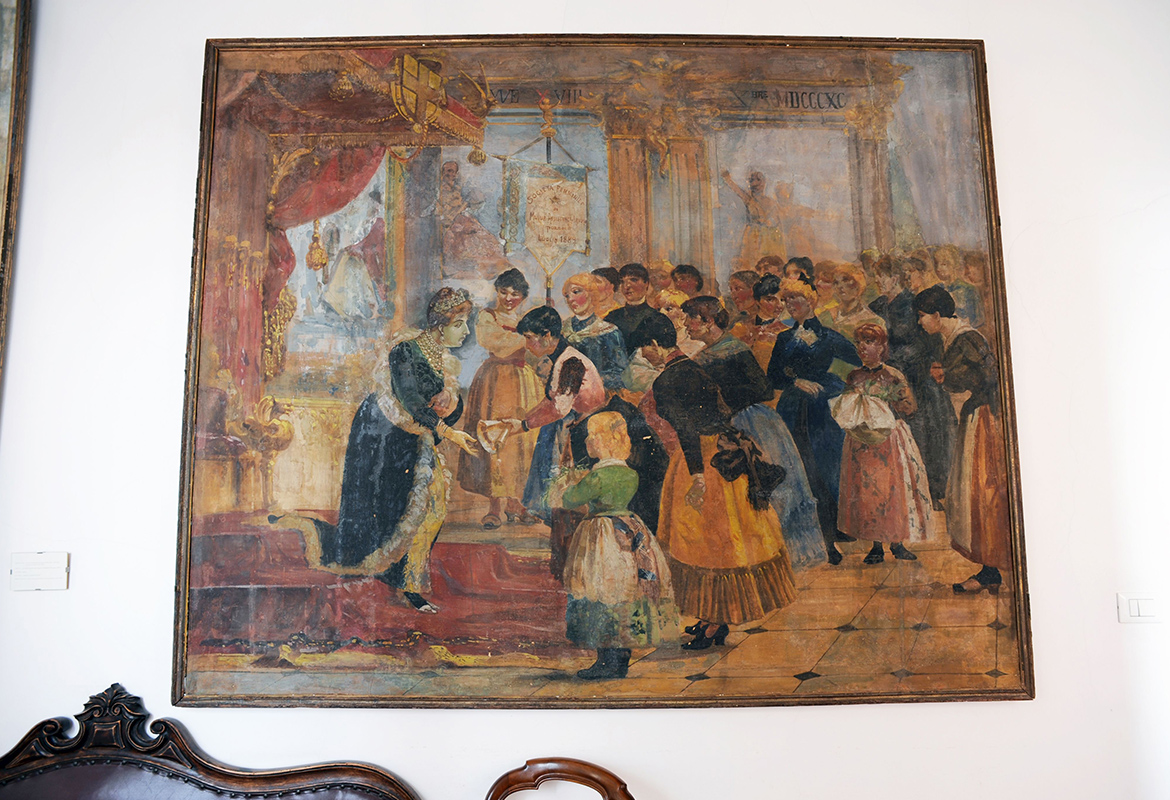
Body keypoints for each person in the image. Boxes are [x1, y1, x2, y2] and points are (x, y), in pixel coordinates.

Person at [278, 288, 479, 614]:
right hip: (382, 436)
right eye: (459, 324)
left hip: (414, 436)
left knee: (432, 508)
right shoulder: (405, 351)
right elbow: (410, 400)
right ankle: (402, 583)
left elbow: (446, 405)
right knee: (400, 510)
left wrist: (451, 407)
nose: (466, 331)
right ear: (440, 326)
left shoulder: (443, 359)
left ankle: (409, 581)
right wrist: (450, 433)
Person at [632, 313, 797, 650]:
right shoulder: (695, 367)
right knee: (720, 540)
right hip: (724, 451)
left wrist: (697, 476)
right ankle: (711, 617)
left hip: (702, 461)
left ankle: (715, 622)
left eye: (643, 349)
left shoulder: (667, 380)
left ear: (655, 345)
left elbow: (687, 430)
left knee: (707, 542)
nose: (643, 355)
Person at [684, 296, 827, 570]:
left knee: (775, 488)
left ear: (709, 321)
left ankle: (788, 555)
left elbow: (763, 389)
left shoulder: (735, 349)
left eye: (691, 319)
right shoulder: (701, 357)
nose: (686, 325)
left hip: (755, 424)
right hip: (727, 429)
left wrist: (723, 397)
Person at [561, 412, 678, 679]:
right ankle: (622, 656)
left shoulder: (597, 477)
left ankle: (606, 660)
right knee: (625, 589)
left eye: (592, 436)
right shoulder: (629, 474)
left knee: (602, 589)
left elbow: (571, 499)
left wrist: (568, 486)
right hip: (630, 528)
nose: (588, 442)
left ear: (603, 441)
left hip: (602, 534)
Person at [915, 285, 1012, 594]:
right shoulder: (951, 339)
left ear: (936, 315)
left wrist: (949, 377)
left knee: (982, 491)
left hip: (984, 418)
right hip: (973, 416)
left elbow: (990, 378)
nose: (920, 322)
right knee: (972, 493)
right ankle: (989, 570)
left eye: (922, 316)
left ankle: (993, 568)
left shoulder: (967, 339)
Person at [767, 277, 862, 564]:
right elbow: (773, 376)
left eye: (796, 299)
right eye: (786, 300)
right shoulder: (784, 338)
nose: (790, 305)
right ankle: (809, 538)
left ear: (811, 301)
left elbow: (857, 366)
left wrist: (831, 384)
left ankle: (831, 537)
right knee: (799, 469)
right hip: (793, 410)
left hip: (823, 412)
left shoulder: (830, 337)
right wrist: (795, 381)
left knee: (825, 470)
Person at [832, 323, 932, 563]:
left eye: (869, 342)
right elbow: (845, 410)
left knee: (892, 490)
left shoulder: (892, 375)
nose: (862, 347)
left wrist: (889, 399)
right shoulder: (854, 376)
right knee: (867, 493)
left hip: (889, 440)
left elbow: (910, 408)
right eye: (859, 342)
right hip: (861, 441)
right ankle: (876, 545)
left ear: (881, 347)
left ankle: (897, 543)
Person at [868, 256, 956, 510]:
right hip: (889, 380)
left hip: (917, 380)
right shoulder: (876, 306)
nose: (877, 281)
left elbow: (930, 342)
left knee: (924, 435)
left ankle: (930, 492)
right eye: (876, 276)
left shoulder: (913, 304)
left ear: (895, 278)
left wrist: (899, 361)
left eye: (882, 276)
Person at [458, 268, 542, 528]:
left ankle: (517, 504)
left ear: (523, 297)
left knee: (521, 441)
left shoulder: (527, 317)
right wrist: (526, 338)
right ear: (497, 292)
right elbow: (495, 343)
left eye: (515, 294)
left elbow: (539, 347)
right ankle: (494, 507)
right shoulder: (488, 316)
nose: (508, 298)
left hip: (523, 382)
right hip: (495, 382)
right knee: (495, 436)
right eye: (504, 292)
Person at [509, 305, 606, 525]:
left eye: (530, 338)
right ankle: (543, 508)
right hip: (568, 420)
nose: (527, 345)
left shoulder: (571, 362)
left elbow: (559, 408)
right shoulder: (560, 357)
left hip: (584, 425)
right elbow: (550, 400)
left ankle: (553, 511)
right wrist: (523, 420)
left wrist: (524, 425)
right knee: (546, 434)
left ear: (547, 335)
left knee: (553, 447)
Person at [561, 272, 629, 392]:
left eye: (576, 292)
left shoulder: (608, 332)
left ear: (591, 294)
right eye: (567, 296)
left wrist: (594, 381)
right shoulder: (562, 329)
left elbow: (621, 374)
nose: (570, 299)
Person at [721, 169, 786, 270]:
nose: (755, 183)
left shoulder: (771, 202)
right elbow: (738, 191)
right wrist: (728, 179)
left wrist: (768, 223)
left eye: (758, 180)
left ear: (764, 182)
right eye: (752, 180)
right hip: (752, 237)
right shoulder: (749, 199)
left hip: (769, 239)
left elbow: (777, 220)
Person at [605, 262, 671, 354]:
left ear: (646, 284)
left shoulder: (660, 320)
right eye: (622, 282)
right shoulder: (612, 317)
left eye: (634, 280)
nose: (626, 286)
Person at [731, 273, 789, 370]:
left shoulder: (786, 331)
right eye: (770, 300)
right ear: (757, 301)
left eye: (782, 300)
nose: (779, 305)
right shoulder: (740, 328)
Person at [827, 262, 885, 342]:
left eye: (845, 280)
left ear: (858, 284)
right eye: (836, 282)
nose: (840, 286)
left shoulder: (873, 320)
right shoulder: (826, 315)